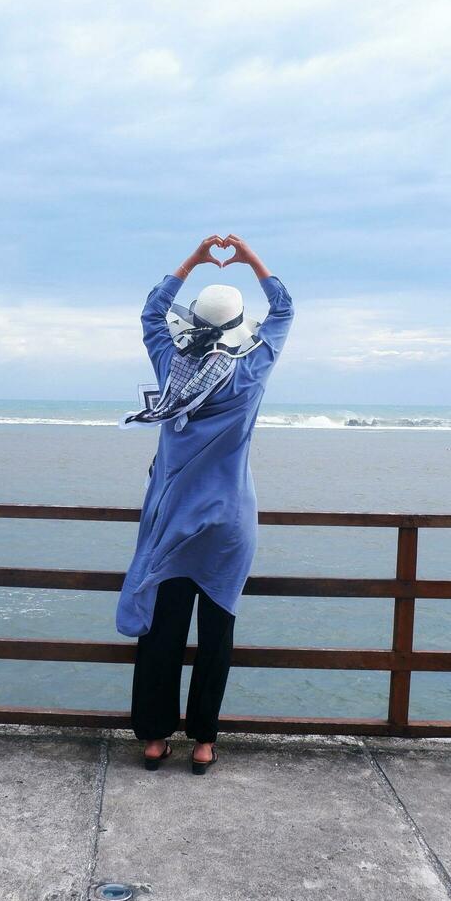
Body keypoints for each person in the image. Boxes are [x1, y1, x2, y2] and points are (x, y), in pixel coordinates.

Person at [118, 234, 293, 774]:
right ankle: (203, 744)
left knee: (162, 633)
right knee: (217, 636)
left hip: (173, 521)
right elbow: (283, 309)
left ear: (191, 321)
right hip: (229, 523)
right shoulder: (249, 372)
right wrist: (250, 258)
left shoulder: (172, 365)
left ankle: (153, 739)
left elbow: (152, 310)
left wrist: (194, 261)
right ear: (241, 327)